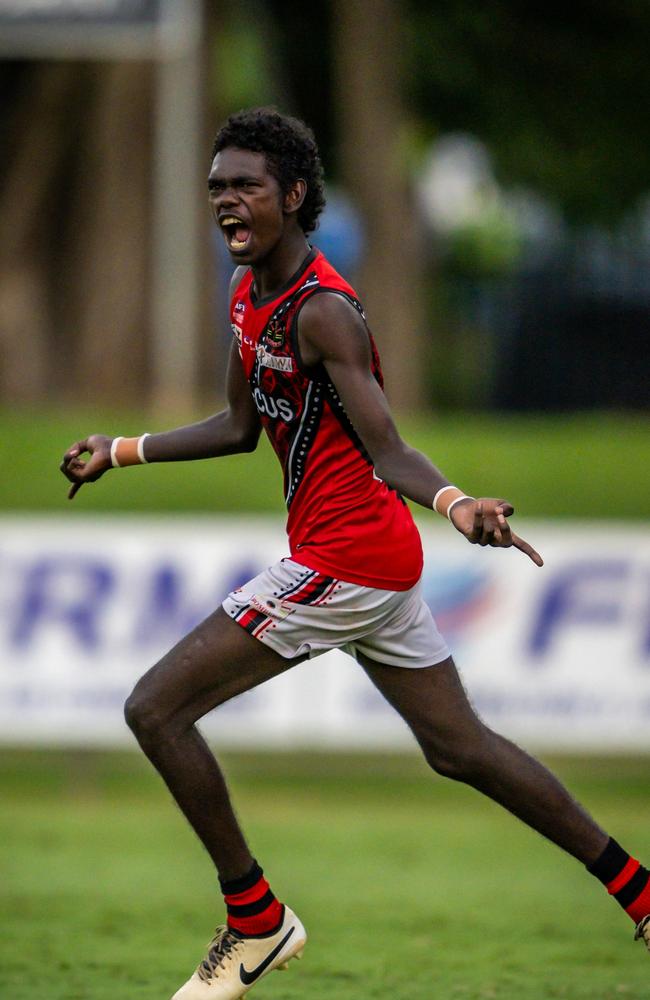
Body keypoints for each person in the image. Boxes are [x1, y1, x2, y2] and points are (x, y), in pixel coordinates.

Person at [60, 108, 650, 1000]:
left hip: (348, 561)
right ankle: (639, 891)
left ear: (294, 196)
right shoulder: (247, 288)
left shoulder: (325, 309)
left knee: (156, 710)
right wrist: (123, 450)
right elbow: (235, 426)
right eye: (217, 185)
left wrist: (456, 502)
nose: (226, 200)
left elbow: (390, 449)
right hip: (364, 558)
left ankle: (255, 922)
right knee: (462, 750)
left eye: (245, 185)